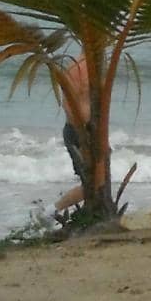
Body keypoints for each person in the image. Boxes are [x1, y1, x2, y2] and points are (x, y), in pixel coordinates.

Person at [55, 53, 93, 216]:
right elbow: (67, 103)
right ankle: (52, 212)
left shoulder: (96, 67)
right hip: (78, 131)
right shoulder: (76, 68)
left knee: (99, 182)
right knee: (91, 184)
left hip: (91, 131)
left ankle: (90, 213)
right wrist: (82, 131)